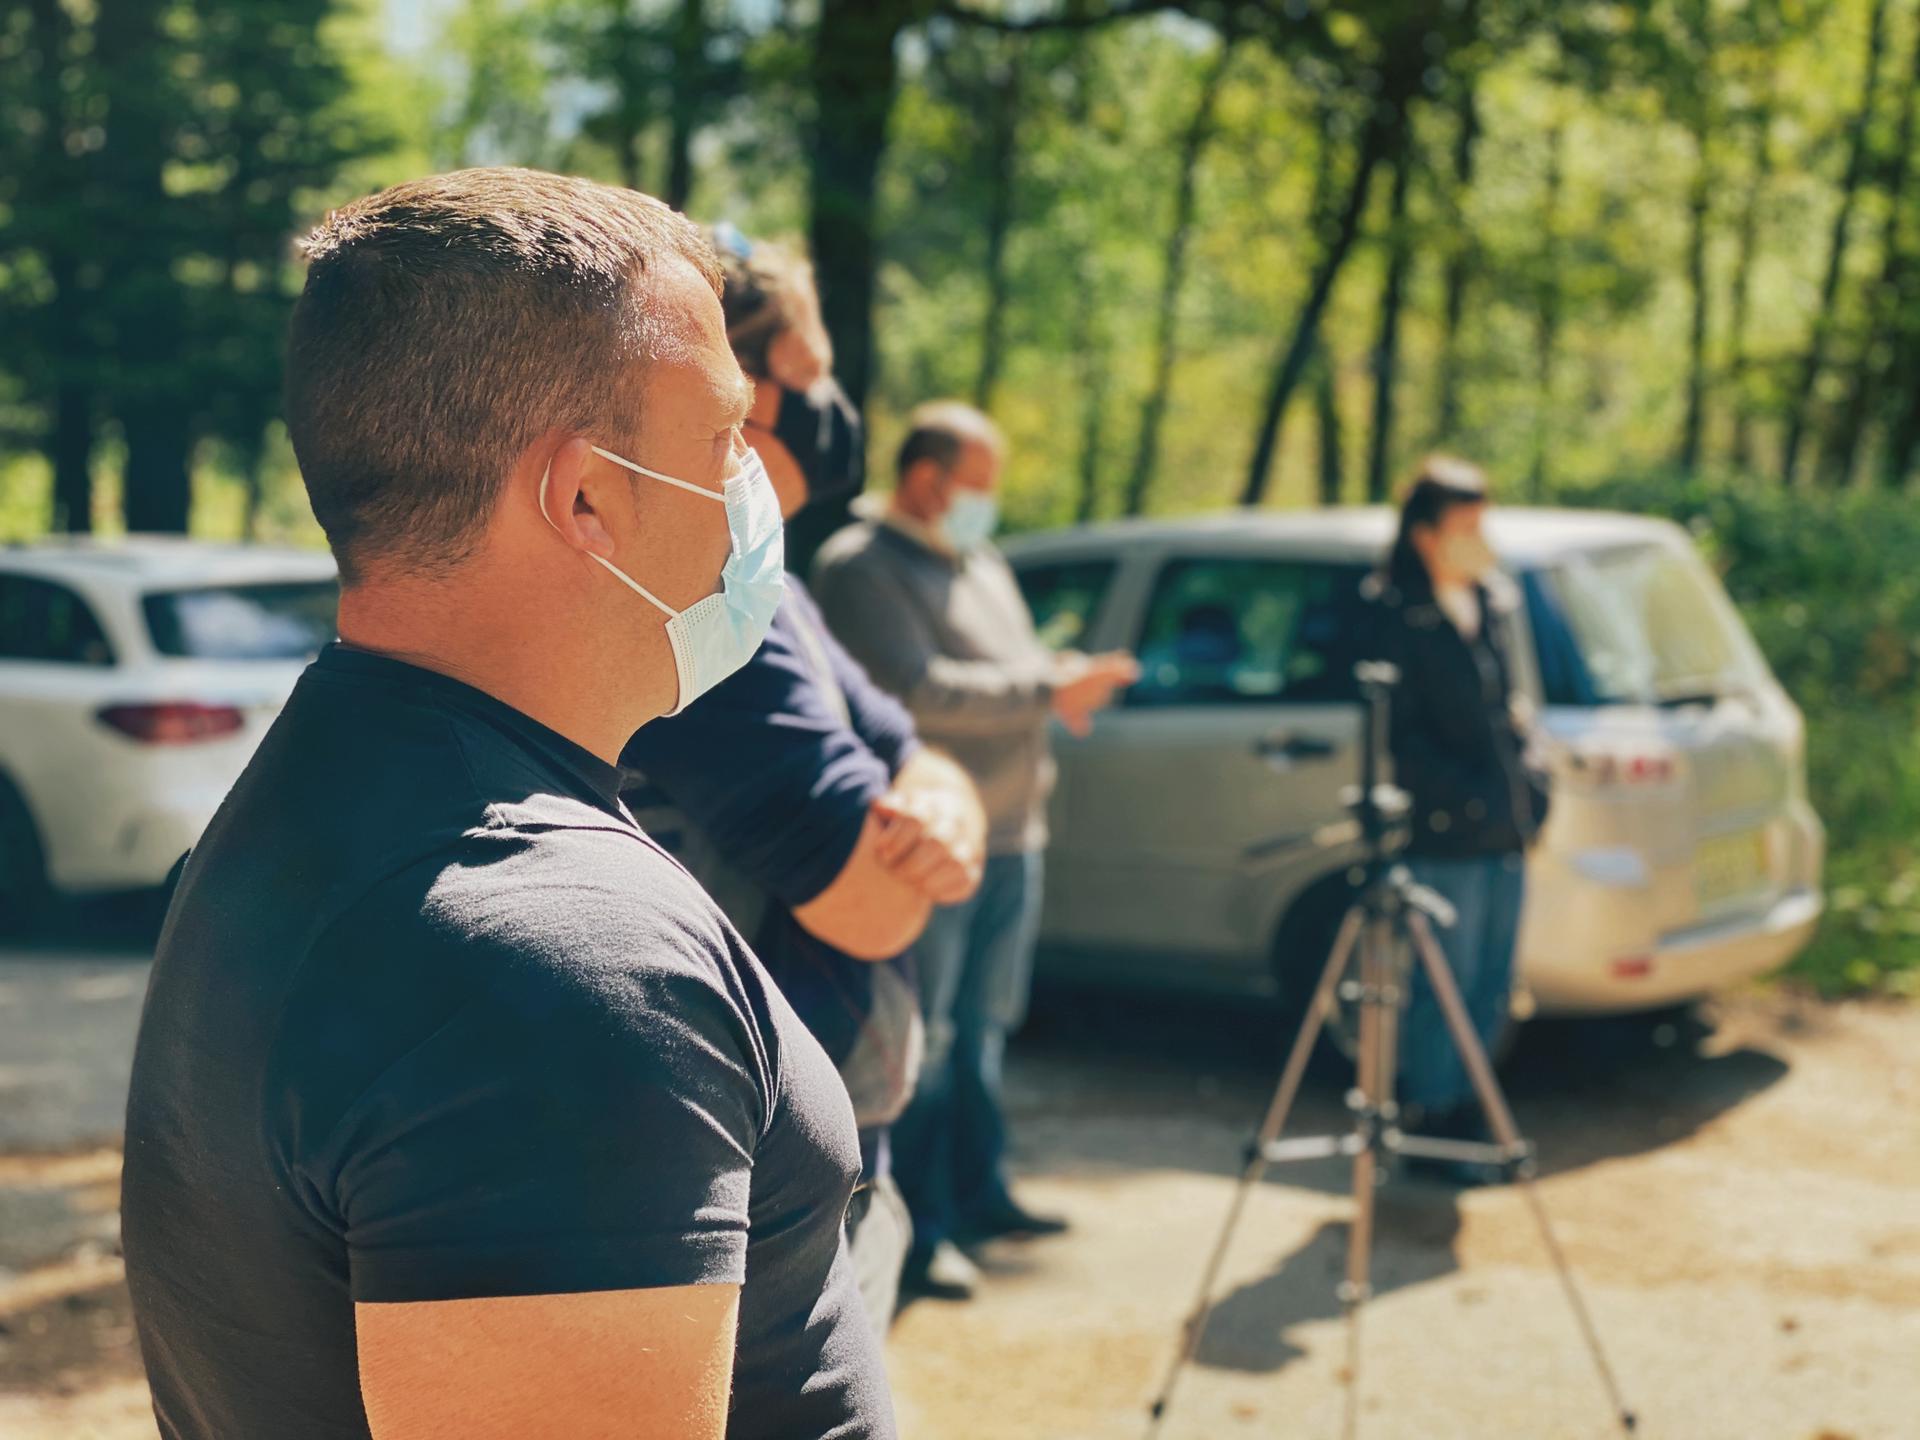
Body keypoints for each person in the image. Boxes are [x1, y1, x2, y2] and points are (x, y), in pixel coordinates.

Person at [120, 168, 894, 1440]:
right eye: (724, 439)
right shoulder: (554, 956)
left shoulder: (330, 788)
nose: (752, 484)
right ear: (585, 497)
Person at [621, 227, 985, 1338]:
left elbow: (915, 747)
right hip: (765, 1157)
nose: (835, 404)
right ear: (737, 382)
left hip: (829, 1129)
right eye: (812, 371)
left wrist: (939, 812)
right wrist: (926, 841)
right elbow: (870, 905)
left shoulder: (764, 583)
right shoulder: (703, 604)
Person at [811, 402, 1138, 1298]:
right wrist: (1047, 687)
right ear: (927, 479)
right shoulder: (860, 566)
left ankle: (981, 1194)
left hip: (1012, 837)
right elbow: (915, 690)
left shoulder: (981, 560)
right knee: (927, 1042)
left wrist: (1054, 685)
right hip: (936, 846)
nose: (988, 505)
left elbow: (1011, 672)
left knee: (985, 1031)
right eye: (979, 486)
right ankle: (920, 1233)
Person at [1366, 455, 1551, 1185]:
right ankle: (1431, 1115)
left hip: (1505, 829)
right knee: (1443, 980)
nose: (1480, 541)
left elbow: (1515, 713)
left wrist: (1532, 790)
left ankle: (1470, 1106)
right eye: (1465, 527)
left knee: (1493, 981)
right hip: (1445, 835)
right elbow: (1402, 739)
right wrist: (1470, 796)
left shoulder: (1494, 602)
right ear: (1425, 535)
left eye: (1484, 525)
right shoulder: (1396, 613)